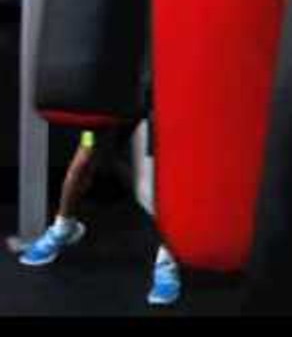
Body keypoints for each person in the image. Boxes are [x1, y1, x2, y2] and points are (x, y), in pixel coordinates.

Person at [18, 126, 182, 307]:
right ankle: (64, 227)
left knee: (154, 170)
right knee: (84, 157)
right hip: (108, 107)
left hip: (150, 107)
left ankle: (166, 261)